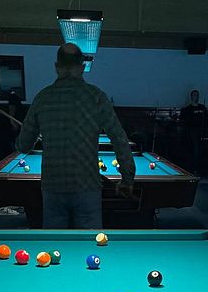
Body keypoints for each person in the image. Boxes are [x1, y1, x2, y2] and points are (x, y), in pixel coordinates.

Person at [17, 44, 134, 229]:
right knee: (90, 242)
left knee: (55, 245)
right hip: (87, 186)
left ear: (57, 67)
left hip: (53, 186)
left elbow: (23, 146)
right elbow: (119, 139)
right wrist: (127, 178)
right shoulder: (97, 97)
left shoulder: (42, 98)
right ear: (82, 67)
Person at [180, 90, 208, 174]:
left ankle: (199, 169)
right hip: (192, 133)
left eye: (197, 95)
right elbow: (185, 121)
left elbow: (207, 120)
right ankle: (193, 169)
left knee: (201, 151)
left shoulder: (202, 108)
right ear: (191, 97)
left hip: (202, 132)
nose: (196, 97)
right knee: (194, 151)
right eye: (195, 95)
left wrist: (205, 129)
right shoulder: (187, 109)